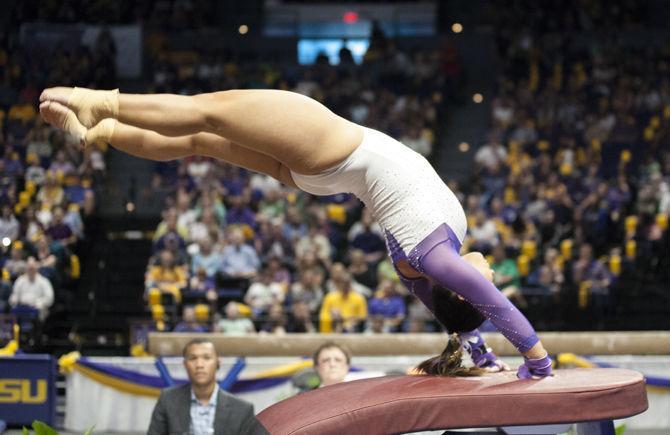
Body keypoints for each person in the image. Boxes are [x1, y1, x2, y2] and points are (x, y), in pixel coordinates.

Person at [39, 86, 551, 378]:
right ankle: (97, 133)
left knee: (206, 112)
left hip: (332, 147)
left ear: (461, 283)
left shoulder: (439, 260)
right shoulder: (428, 265)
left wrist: (537, 361)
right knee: (200, 137)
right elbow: (462, 318)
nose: (492, 275)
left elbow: (495, 307)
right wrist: (479, 353)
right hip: (322, 173)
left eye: (484, 283)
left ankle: (99, 103)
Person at [147, 338, 267, 435]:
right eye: (193, 358)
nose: (199, 365)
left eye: (206, 358)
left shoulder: (241, 409)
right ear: (185, 364)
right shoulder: (168, 400)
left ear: (217, 363)